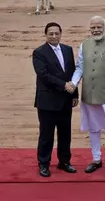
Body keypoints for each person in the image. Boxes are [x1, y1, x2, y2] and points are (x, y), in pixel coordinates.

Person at [67, 16, 105, 177]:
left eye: (99, 27)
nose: (96, 30)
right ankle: (96, 159)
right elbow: (80, 67)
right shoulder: (84, 45)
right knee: (94, 129)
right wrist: (74, 83)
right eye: (93, 27)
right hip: (90, 95)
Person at [32, 22, 79, 178]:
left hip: (66, 100)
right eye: (50, 34)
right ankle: (44, 164)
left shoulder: (67, 50)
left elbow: (72, 72)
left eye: (56, 33)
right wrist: (64, 85)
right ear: (46, 35)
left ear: (60, 34)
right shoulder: (39, 52)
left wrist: (74, 94)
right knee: (46, 135)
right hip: (47, 101)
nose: (54, 36)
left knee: (65, 133)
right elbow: (43, 75)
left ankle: (64, 162)